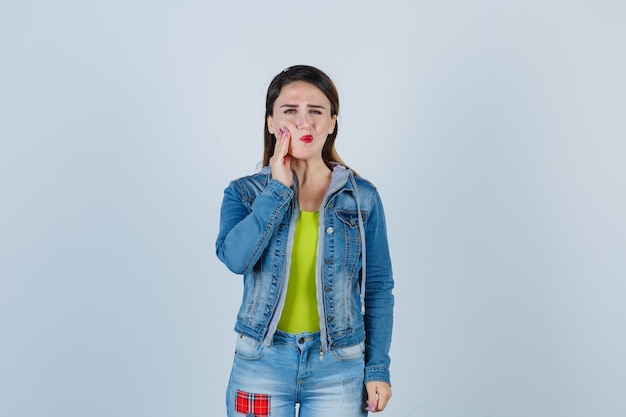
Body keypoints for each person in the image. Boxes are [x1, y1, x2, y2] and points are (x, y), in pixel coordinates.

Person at [216, 65, 394, 417]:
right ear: (270, 122)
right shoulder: (244, 193)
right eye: (290, 111)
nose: (304, 122)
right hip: (261, 363)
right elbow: (236, 258)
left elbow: (378, 287)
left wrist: (378, 370)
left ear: (332, 122)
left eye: (316, 111)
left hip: (340, 367)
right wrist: (278, 190)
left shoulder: (363, 198)